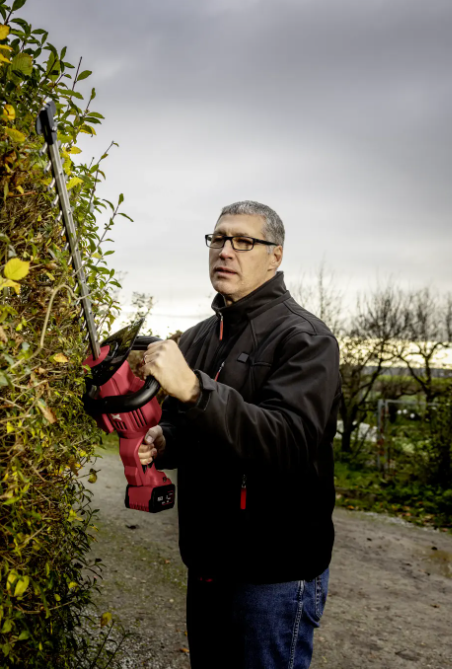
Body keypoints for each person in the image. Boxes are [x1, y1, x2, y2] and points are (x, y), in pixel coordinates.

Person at [138, 200, 341, 668]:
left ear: (276, 255)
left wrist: (194, 388)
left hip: (274, 570)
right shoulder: (202, 336)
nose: (225, 251)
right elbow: (192, 423)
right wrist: (166, 438)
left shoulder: (306, 339)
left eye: (243, 241)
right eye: (218, 239)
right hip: (208, 559)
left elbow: (288, 441)